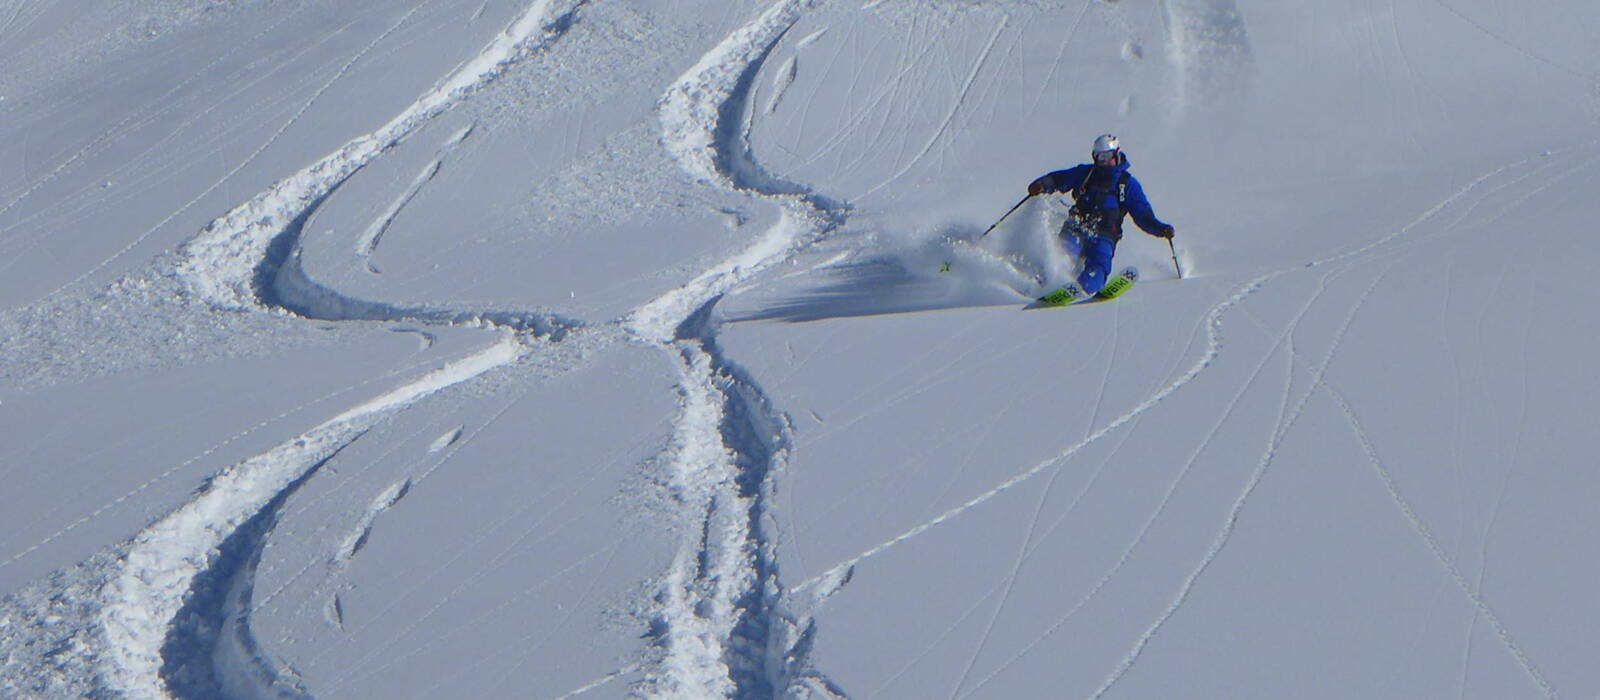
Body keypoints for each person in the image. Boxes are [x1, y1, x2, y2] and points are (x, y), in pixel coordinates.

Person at [1027, 134, 1174, 295]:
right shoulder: (1086, 174)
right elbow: (1060, 178)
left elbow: (1143, 215)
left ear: (1117, 154)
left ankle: (1083, 289)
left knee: (1099, 263)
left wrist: (1160, 228)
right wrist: (1042, 184)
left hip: (1105, 235)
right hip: (1077, 227)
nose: (1103, 162)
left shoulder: (1127, 185)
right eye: (1099, 158)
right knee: (1064, 251)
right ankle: (1041, 286)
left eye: (1107, 157)